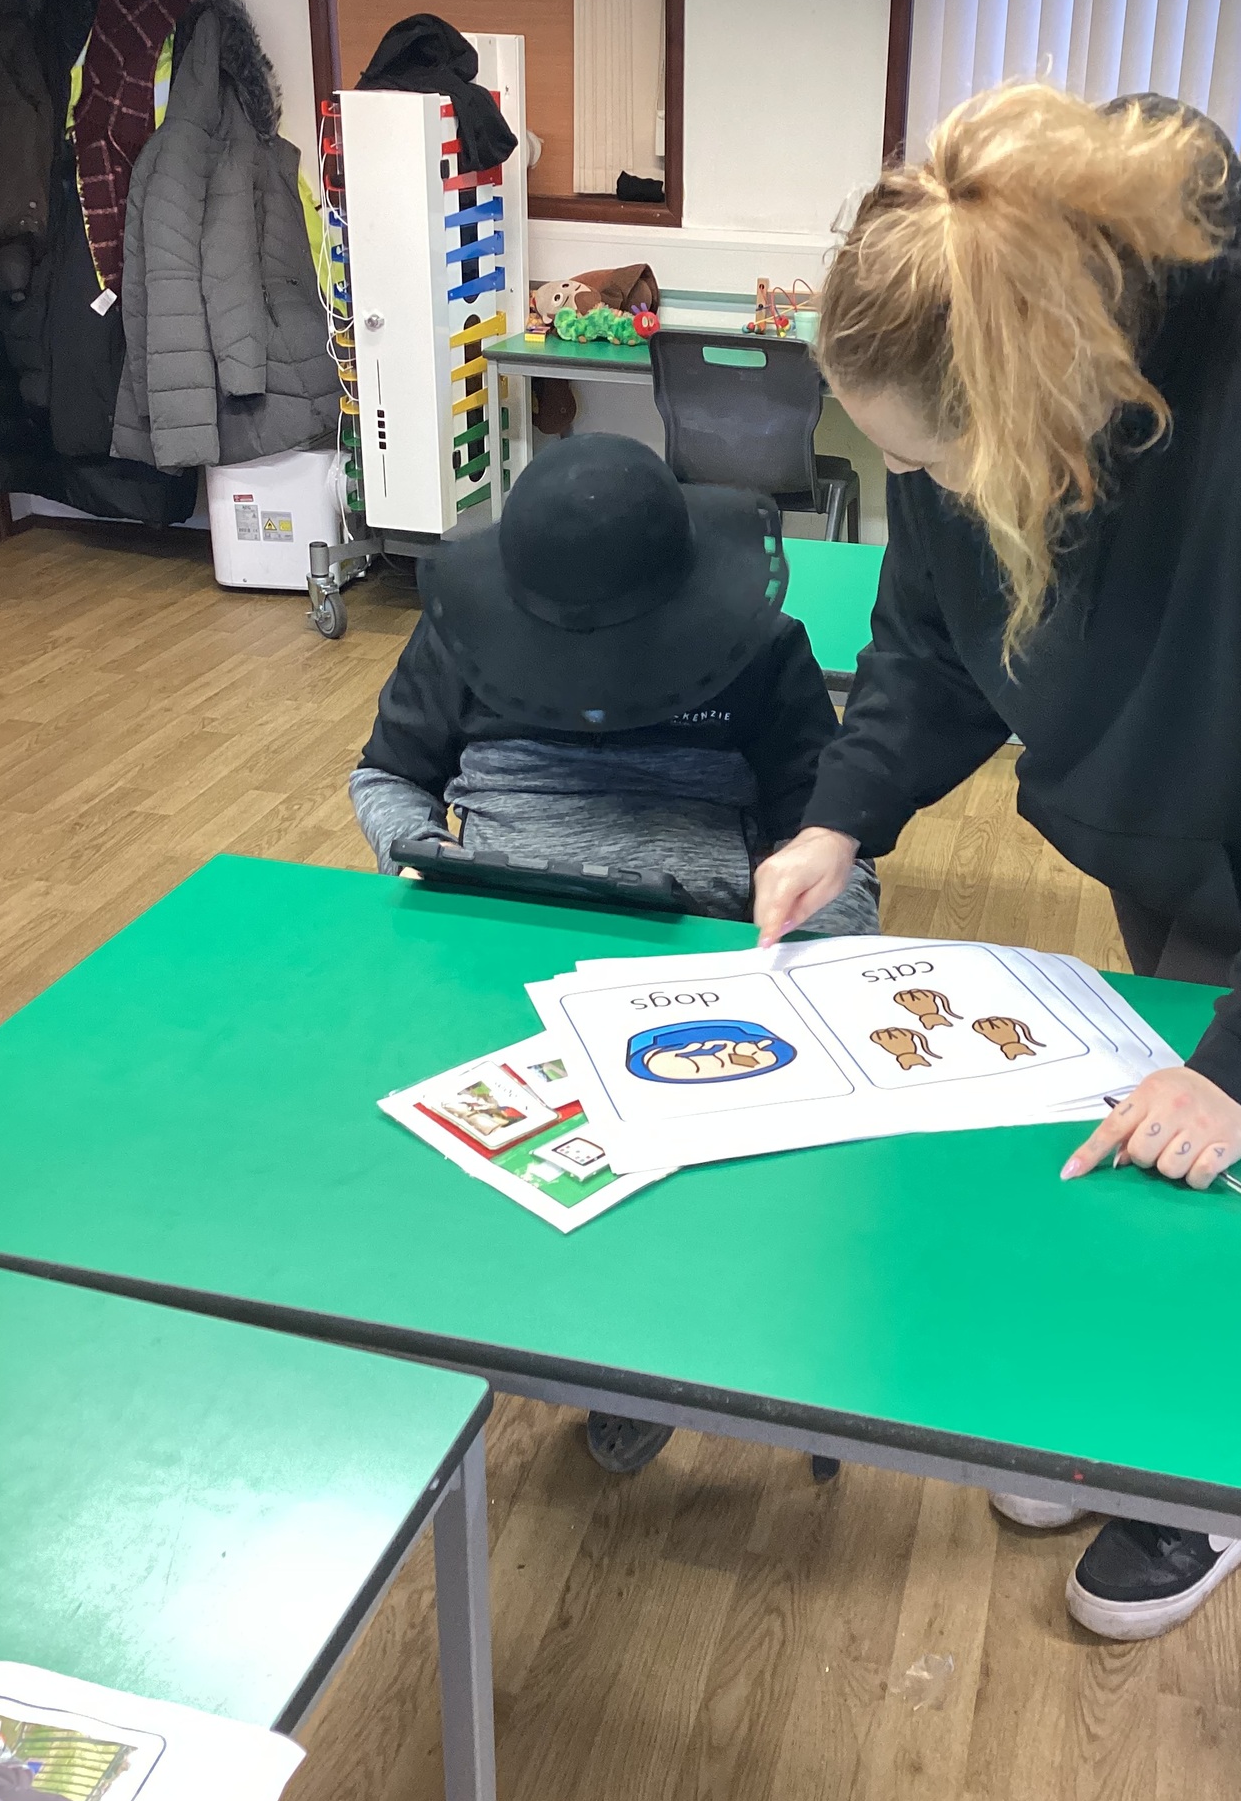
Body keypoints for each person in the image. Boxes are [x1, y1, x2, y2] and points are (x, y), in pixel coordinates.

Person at [753, 83, 1241, 1640]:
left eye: (941, 462)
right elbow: (933, 628)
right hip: (1178, 739)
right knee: (1144, 1069)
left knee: (1237, 1112)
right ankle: (1120, 1412)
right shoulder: (978, 348)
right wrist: (843, 813)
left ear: (1041, 402)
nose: (928, 488)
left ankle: (1211, 1474)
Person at [352, 430, 879, 1474]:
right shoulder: (459, 637)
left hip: (698, 960)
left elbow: (829, 837)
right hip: (495, 936)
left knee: (691, 1193)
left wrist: (808, 933)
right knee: (479, 1153)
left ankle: (658, 1354)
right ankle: (495, 1323)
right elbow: (388, 774)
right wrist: (418, 857)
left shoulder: (761, 648)